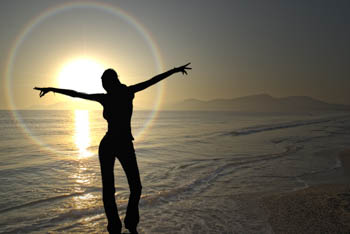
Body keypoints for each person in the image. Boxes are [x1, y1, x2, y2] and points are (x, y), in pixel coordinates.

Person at [34, 63, 191, 234]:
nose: (103, 86)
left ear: (113, 81)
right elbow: (77, 94)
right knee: (109, 189)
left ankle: (131, 223)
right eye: (102, 83)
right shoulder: (108, 97)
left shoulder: (126, 92)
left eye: (105, 83)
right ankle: (114, 227)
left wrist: (175, 70)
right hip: (109, 145)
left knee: (135, 187)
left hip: (123, 144)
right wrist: (51, 88)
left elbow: (153, 81)